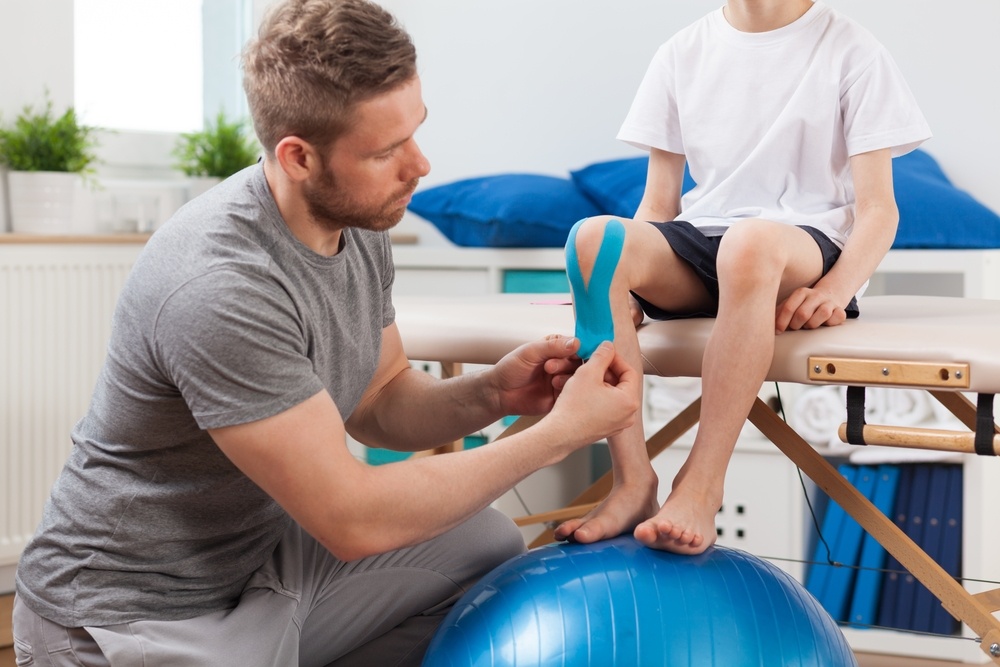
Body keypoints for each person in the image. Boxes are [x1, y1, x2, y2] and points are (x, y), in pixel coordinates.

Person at [11, 1, 640, 665]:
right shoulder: (218, 284)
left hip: (262, 572)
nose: (419, 166)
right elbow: (352, 518)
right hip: (132, 615)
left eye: (416, 132)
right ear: (299, 156)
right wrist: (561, 434)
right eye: (386, 150)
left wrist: (492, 394)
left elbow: (381, 397)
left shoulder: (359, 225)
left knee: (482, 544)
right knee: (388, 525)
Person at [555, 0, 931, 555]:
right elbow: (659, 202)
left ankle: (702, 483)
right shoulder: (681, 52)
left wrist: (836, 289)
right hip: (704, 241)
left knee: (750, 240)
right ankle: (634, 481)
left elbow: (879, 211)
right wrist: (628, 284)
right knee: (594, 241)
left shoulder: (853, 50)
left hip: (802, 244)